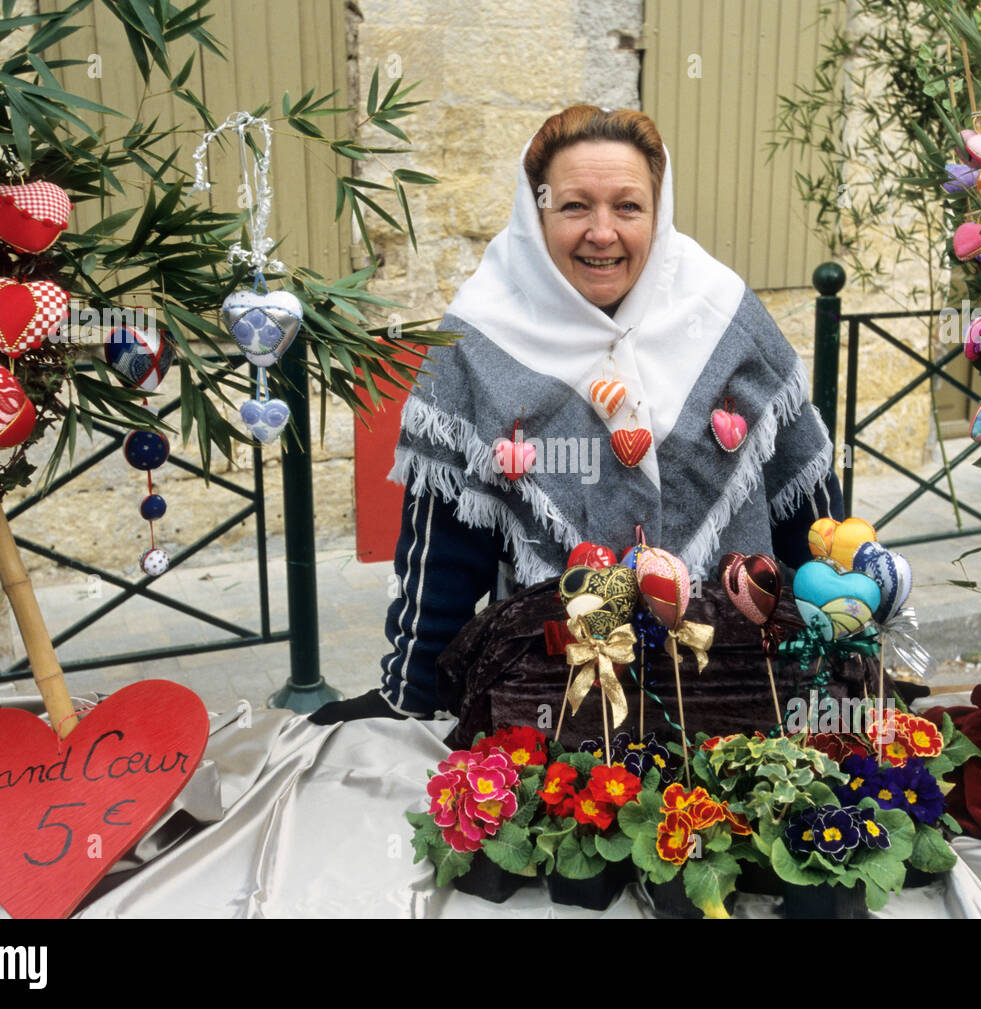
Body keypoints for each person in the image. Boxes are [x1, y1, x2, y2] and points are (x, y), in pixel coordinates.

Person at [311, 105, 841, 724]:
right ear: (536, 213)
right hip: (560, 704)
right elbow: (444, 558)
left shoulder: (724, 316)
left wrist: (837, 650)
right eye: (574, 207)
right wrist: (412, 692)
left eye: (627, 206)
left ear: (658, 211)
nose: (602, 231)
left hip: (741, 687)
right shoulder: (480, 341)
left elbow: (807, 511)